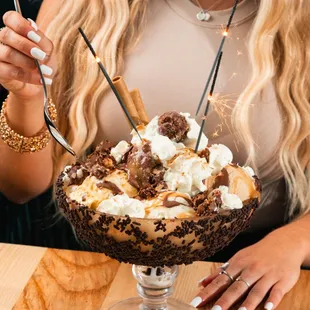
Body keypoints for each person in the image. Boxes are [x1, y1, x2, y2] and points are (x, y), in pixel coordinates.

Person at [0, 0, 309, 309]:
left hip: (244, 264)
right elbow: (21, 188)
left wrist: (293, 242)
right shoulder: (79, 5)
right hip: (98, 261)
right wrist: (27, 96)